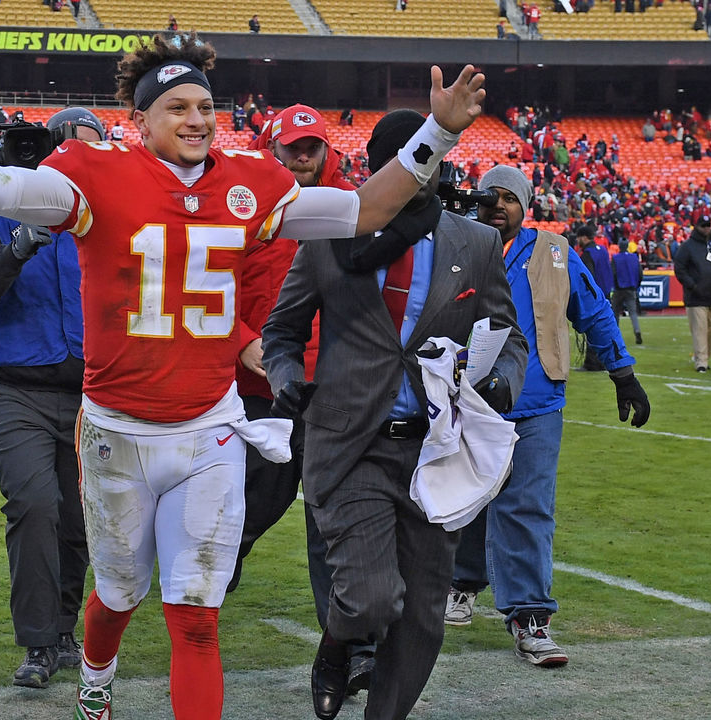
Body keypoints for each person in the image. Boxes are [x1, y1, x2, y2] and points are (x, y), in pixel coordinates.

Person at [0, 31, 485, 720]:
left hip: (208, 429)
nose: (197, 120)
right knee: (118, 596)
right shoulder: (95, 171)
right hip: (117, 429)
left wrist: (439, 132)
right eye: (178, 108)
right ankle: (96, 674)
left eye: (205, 107)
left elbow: (365, 210)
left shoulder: (250, 180)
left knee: (195, 617)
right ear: (139, 120)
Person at [261, 110, 526, 720]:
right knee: (371, 599)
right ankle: (338, 642)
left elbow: (507, 334)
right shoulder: (329, 231)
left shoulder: (476, 242)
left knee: (424, 615)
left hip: (435, 449)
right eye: (405, 159)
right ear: (380, 165)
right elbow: (283, 331)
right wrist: (285, 377)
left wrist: (501, 380)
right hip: (349, 443)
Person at [444, 161, 648, 672]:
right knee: (463, 500)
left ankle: (531, 616)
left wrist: (622, 372)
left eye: (509, 198)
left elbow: (594, 310)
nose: (498, 205)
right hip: (467, 398)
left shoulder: (555, 252)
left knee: (528, 506)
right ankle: (462, 582)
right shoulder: (456, 242)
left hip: (535, 402)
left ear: (526, 206)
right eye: (490, 196)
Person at [224, 103, 377, 693]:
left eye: (313, 145)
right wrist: (242, 341)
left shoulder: (351, 207)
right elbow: (208, 287)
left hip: (333, 390)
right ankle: (214, 573)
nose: (304, 155)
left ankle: (352, 645)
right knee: (249, 504)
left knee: (333, 518)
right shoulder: (241, 205)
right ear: (273, 148)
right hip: (259, 389)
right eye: (294, 146)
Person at [0, 107, 103, 690]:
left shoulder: (104, 220)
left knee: (78, 519)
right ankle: (40, 642)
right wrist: (16, 248)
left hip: (90, 392)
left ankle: (64, 630)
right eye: (75, 147)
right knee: (35, 504)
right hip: (14, 389)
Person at [673, 213, 711, 372]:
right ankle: (701, 362)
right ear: (697, 227)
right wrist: (692, 286)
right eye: (703, 226)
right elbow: (679, 268)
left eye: (708, 225)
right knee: (699, 329)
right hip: (696, 297)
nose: (706, 229)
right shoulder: (688, 247)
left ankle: (704, 355)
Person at [573, 226, 611, 370]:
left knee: (592, 329)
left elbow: (587, 277)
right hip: (605, 293)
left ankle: (591, 362)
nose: (578, 241)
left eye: (579, 238)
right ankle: (603, 361)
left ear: (584, 237)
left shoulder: (587, 254)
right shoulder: (603, 250)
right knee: (603, 329)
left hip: (593, 295)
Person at [611, 238, 644, 345]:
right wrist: (636, 285)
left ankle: (615, 335)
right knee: (633, 313)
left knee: (615, 312)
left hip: (619, 289)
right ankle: (637, 331)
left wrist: (615, 286)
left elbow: (613, 273)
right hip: (631, 288)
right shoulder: (634, 257)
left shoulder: (615, 258)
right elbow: (640, 273)